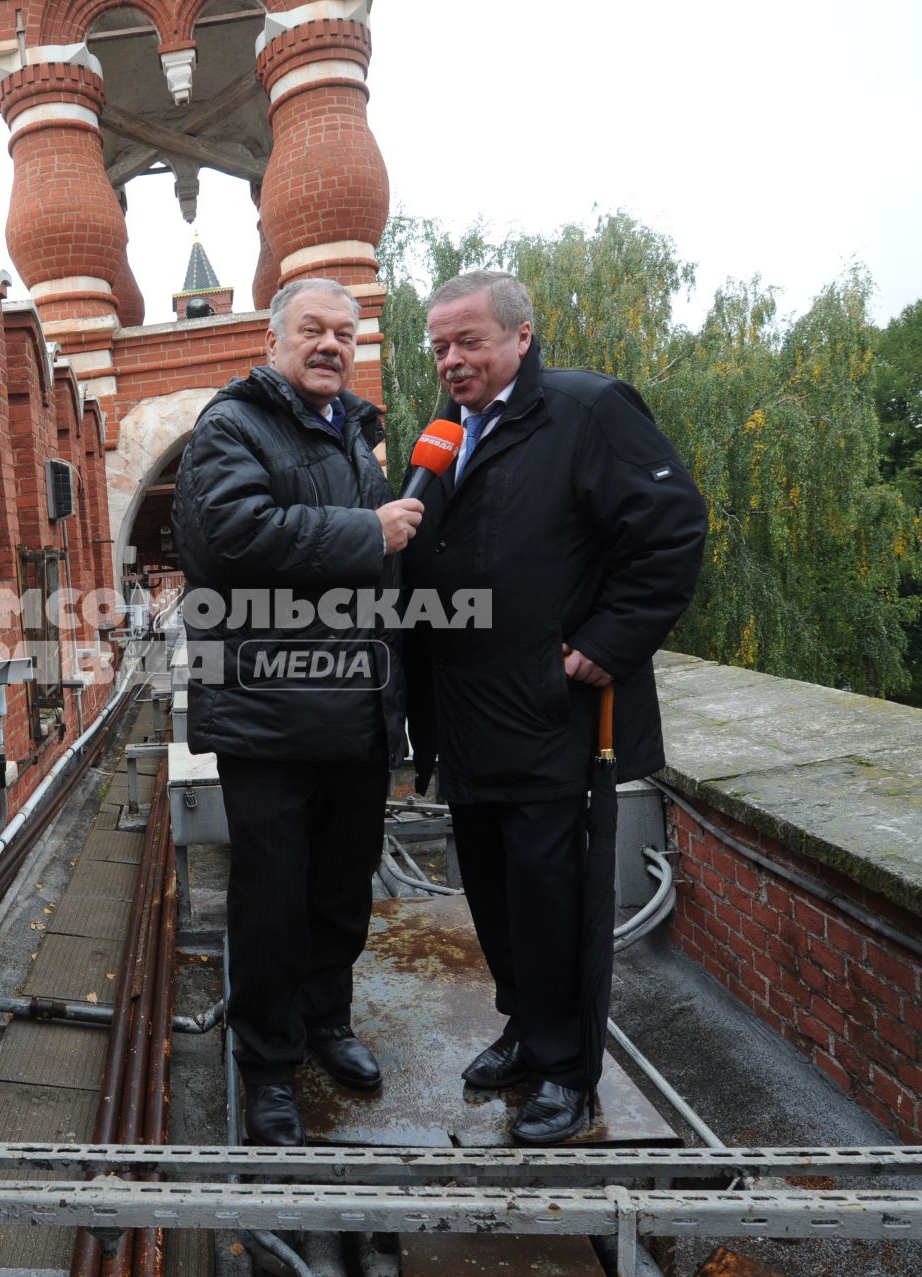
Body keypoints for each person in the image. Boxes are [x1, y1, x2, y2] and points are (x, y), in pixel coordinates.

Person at [401, 270, 705, 1144]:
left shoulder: (586, 410)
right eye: (440, 347)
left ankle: (568, 1068)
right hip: (464, 717)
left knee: (551, 894)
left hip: (549, 716)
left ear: (522, 336)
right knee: (492, 894)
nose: (452, 360)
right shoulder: (449, 433)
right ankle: (524, 1030)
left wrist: (608, 641)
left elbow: (673, 528)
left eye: (470, 342)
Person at [173, 277, 424, 1146]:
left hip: (355, 712)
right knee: (273, 899)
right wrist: (369, 532)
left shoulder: (353, 433)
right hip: (268, 714)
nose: (330, 345)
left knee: (341, 889)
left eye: (344, 334)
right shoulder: (231, 427)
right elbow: (231, 540)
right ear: (274, 339)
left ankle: (328, 1022)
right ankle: (269, 1062)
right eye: (312, 330)